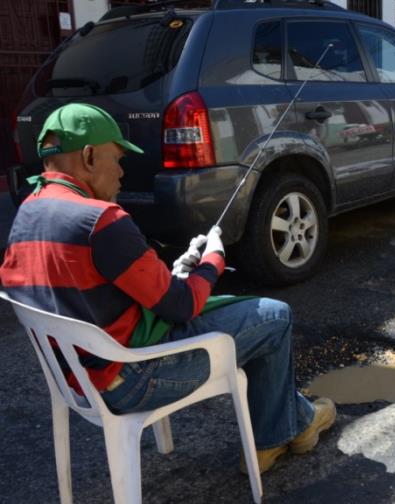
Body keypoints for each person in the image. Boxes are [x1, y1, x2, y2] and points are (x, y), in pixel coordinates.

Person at [0, 103, 334, 474]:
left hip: (78, 382)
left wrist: (180, 268)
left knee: (249, 319)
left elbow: (96, 291)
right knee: (274, 316)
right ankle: (281, 433)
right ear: (89, 155)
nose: (122, 172)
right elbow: (181, 307)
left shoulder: (27, 213)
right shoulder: (101, 220)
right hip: (132, 380)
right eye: (118, 158)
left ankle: (286, 426)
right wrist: (214, 260)